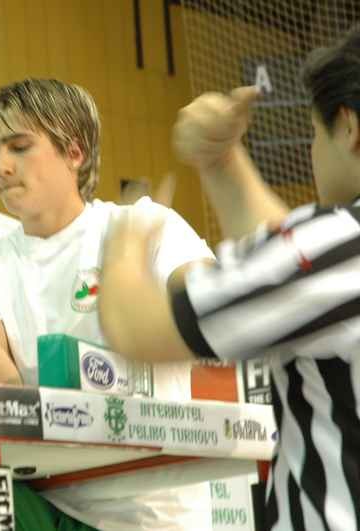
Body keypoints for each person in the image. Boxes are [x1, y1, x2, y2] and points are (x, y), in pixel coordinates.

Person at [98, 27, 360, 531]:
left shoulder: (339, 244)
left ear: (347, 126)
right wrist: (221, 160)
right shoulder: (327, 257)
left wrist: (124, 243)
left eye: (313, 134)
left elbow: (138, 330)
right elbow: (290, 274)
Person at [0, 78, 216, 530]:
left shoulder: (145, 222)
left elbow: (211, 310)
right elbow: (3, 394)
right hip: (46, 499)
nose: (2, 166)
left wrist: (136, 289)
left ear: (74, 152)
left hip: (149, 509)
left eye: (19, 147)